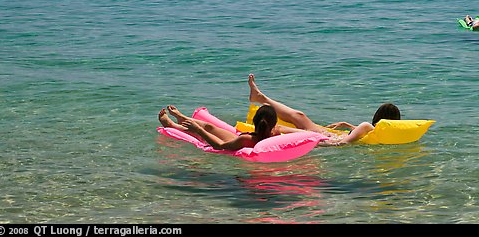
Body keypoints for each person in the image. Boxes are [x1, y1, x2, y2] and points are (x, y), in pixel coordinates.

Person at [247, 73, 401, 146]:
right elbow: (360, 134)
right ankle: (260, 98)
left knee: (296, 118)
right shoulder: (379, 132)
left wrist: (318, 141)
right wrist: (347, 125)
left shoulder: (367, 125)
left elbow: (342, 144)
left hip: (325, 137)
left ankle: (261, 100)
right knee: (298, 117)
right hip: (329, 136)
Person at [158, 104, 278, 151]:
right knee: (210, 126)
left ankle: (172, 125)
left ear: (254, 121)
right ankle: (182, 117)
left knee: (204, 130)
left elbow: (219, 146)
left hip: (230, 144)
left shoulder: (246, 139)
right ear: (273, 124)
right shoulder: (275, 135)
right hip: (238, 140)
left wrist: (198, 130)